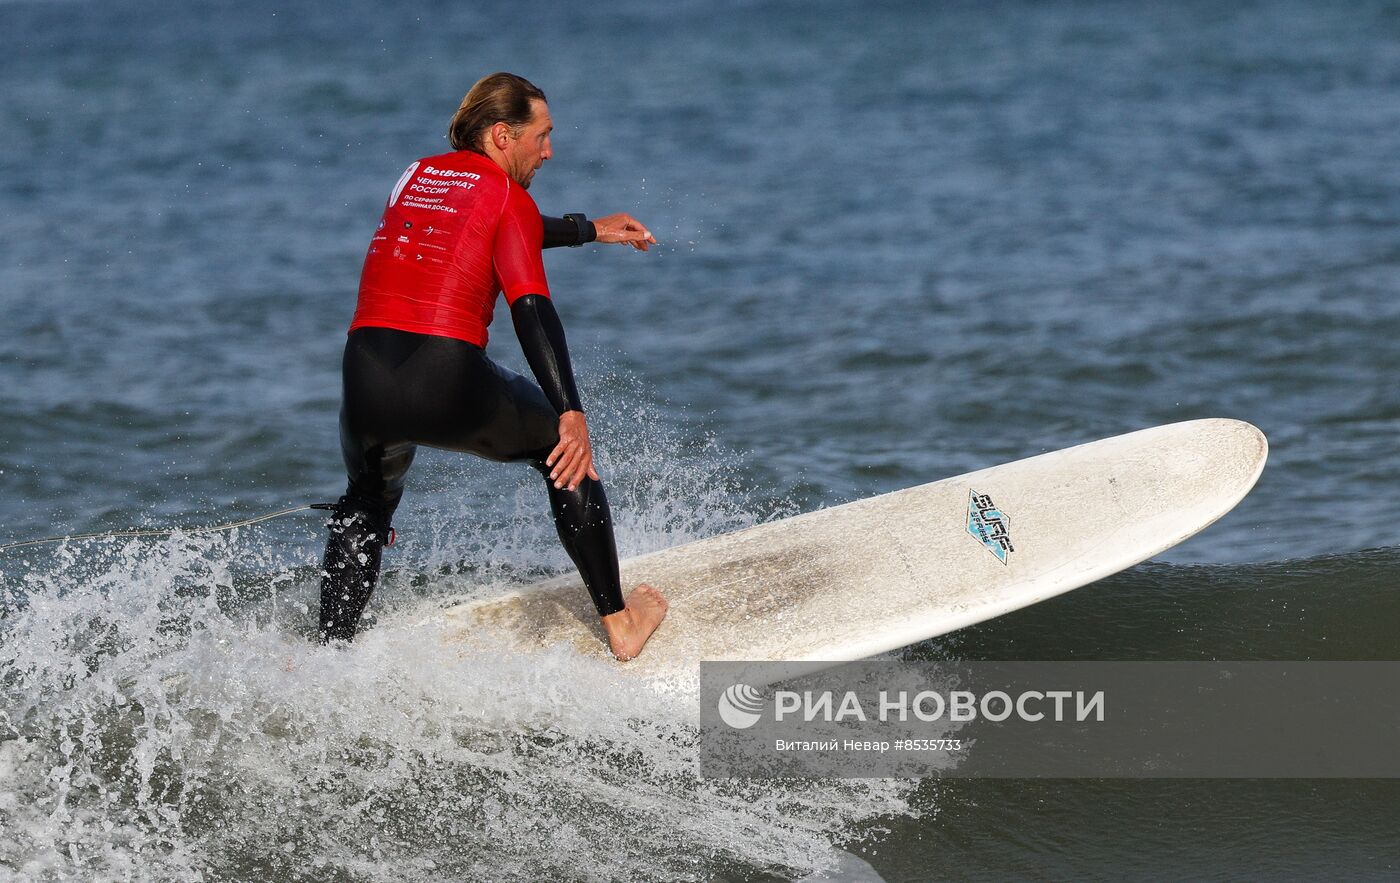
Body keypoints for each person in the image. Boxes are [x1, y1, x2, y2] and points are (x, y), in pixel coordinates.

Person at [318, 72, 668, 660]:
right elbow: (530, 308)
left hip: (365, 376)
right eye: (543, 135)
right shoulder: (509, 197)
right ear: (504, 135)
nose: (549, 151)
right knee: (566, 457)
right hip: (445, 377)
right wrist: (570, 411)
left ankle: (327, 652)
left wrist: (587, 229)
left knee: (366, 500)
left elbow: (486, 224)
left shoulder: (417, 175)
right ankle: (620, 622)